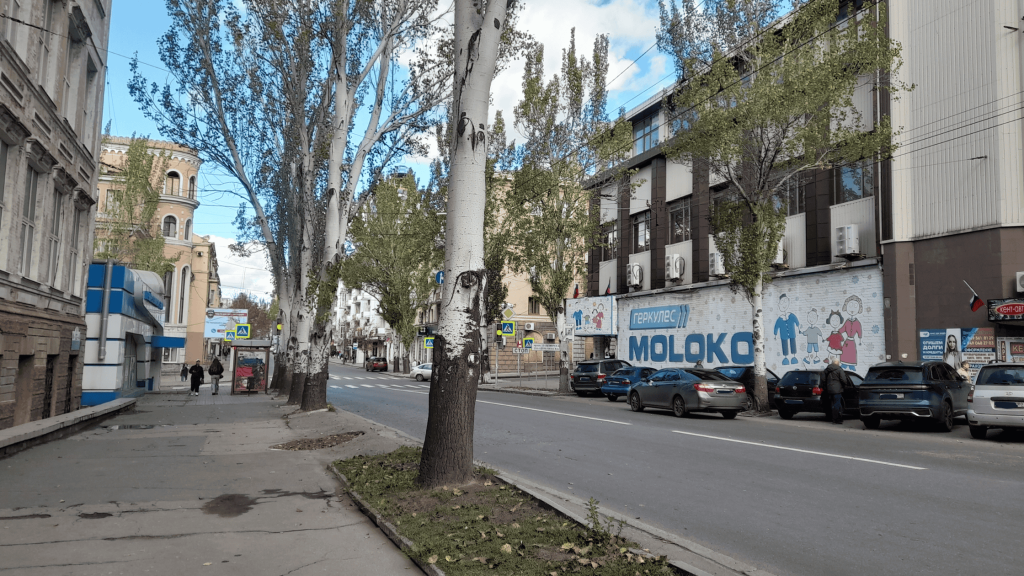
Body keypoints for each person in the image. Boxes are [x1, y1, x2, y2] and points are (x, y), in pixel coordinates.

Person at [822, 358, 850, 424]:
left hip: (829, 389)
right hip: (837, 390)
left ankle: (834, 417)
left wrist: (826, 386)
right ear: (837, 363)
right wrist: (844, 385)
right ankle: (836, 419)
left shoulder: (826, 370)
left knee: (833, 403)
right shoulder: (839, 369)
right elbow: (843, 379)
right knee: (837, 404)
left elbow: (823, 379)